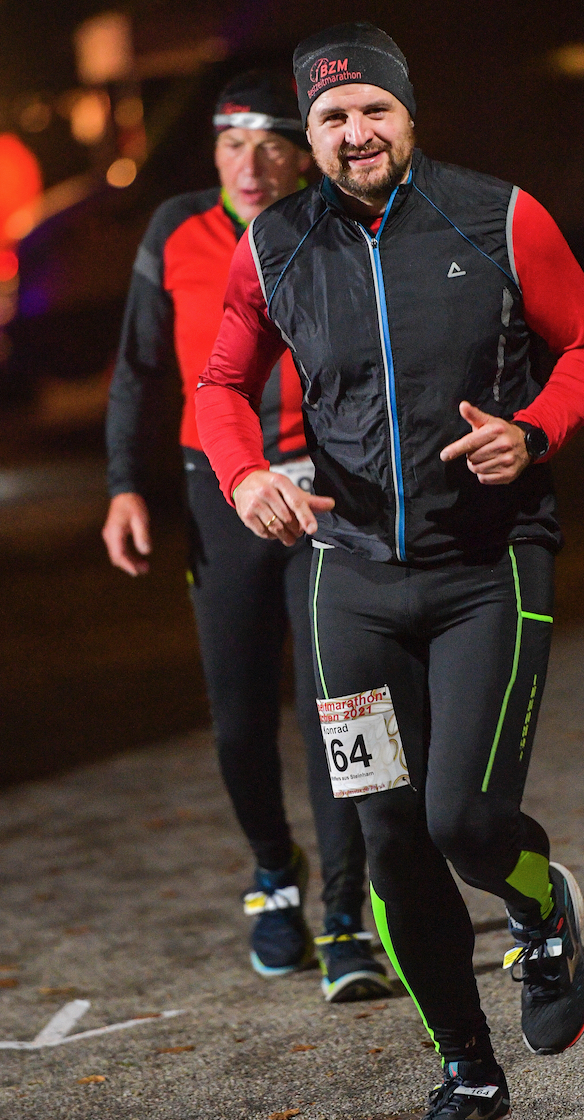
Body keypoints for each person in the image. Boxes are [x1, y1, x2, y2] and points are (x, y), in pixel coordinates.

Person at [195, 26, 584, 1120]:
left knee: (463, 819)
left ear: (407, 114)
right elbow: (218, 382)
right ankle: (466, 1072)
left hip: (490, 563)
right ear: (309, 135)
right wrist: (243, 476)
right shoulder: (272, 245)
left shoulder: (498, 216)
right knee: (387, 836)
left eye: (372, 111)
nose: (355, 133)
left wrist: (532, 431)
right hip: (350, 584)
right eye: (332, 119)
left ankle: (536, 903)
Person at [103, 69, 390, 1004]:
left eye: (272, 143)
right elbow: (143, 369)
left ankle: (349, 917)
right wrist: (124, 488)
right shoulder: (176, 230)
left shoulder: (338, 222)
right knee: (237, 720)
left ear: (304, 152)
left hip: (330, 497)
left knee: (341, 713)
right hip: (219, 493)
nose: (250, 164)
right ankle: (275, 878)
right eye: (232, 144)